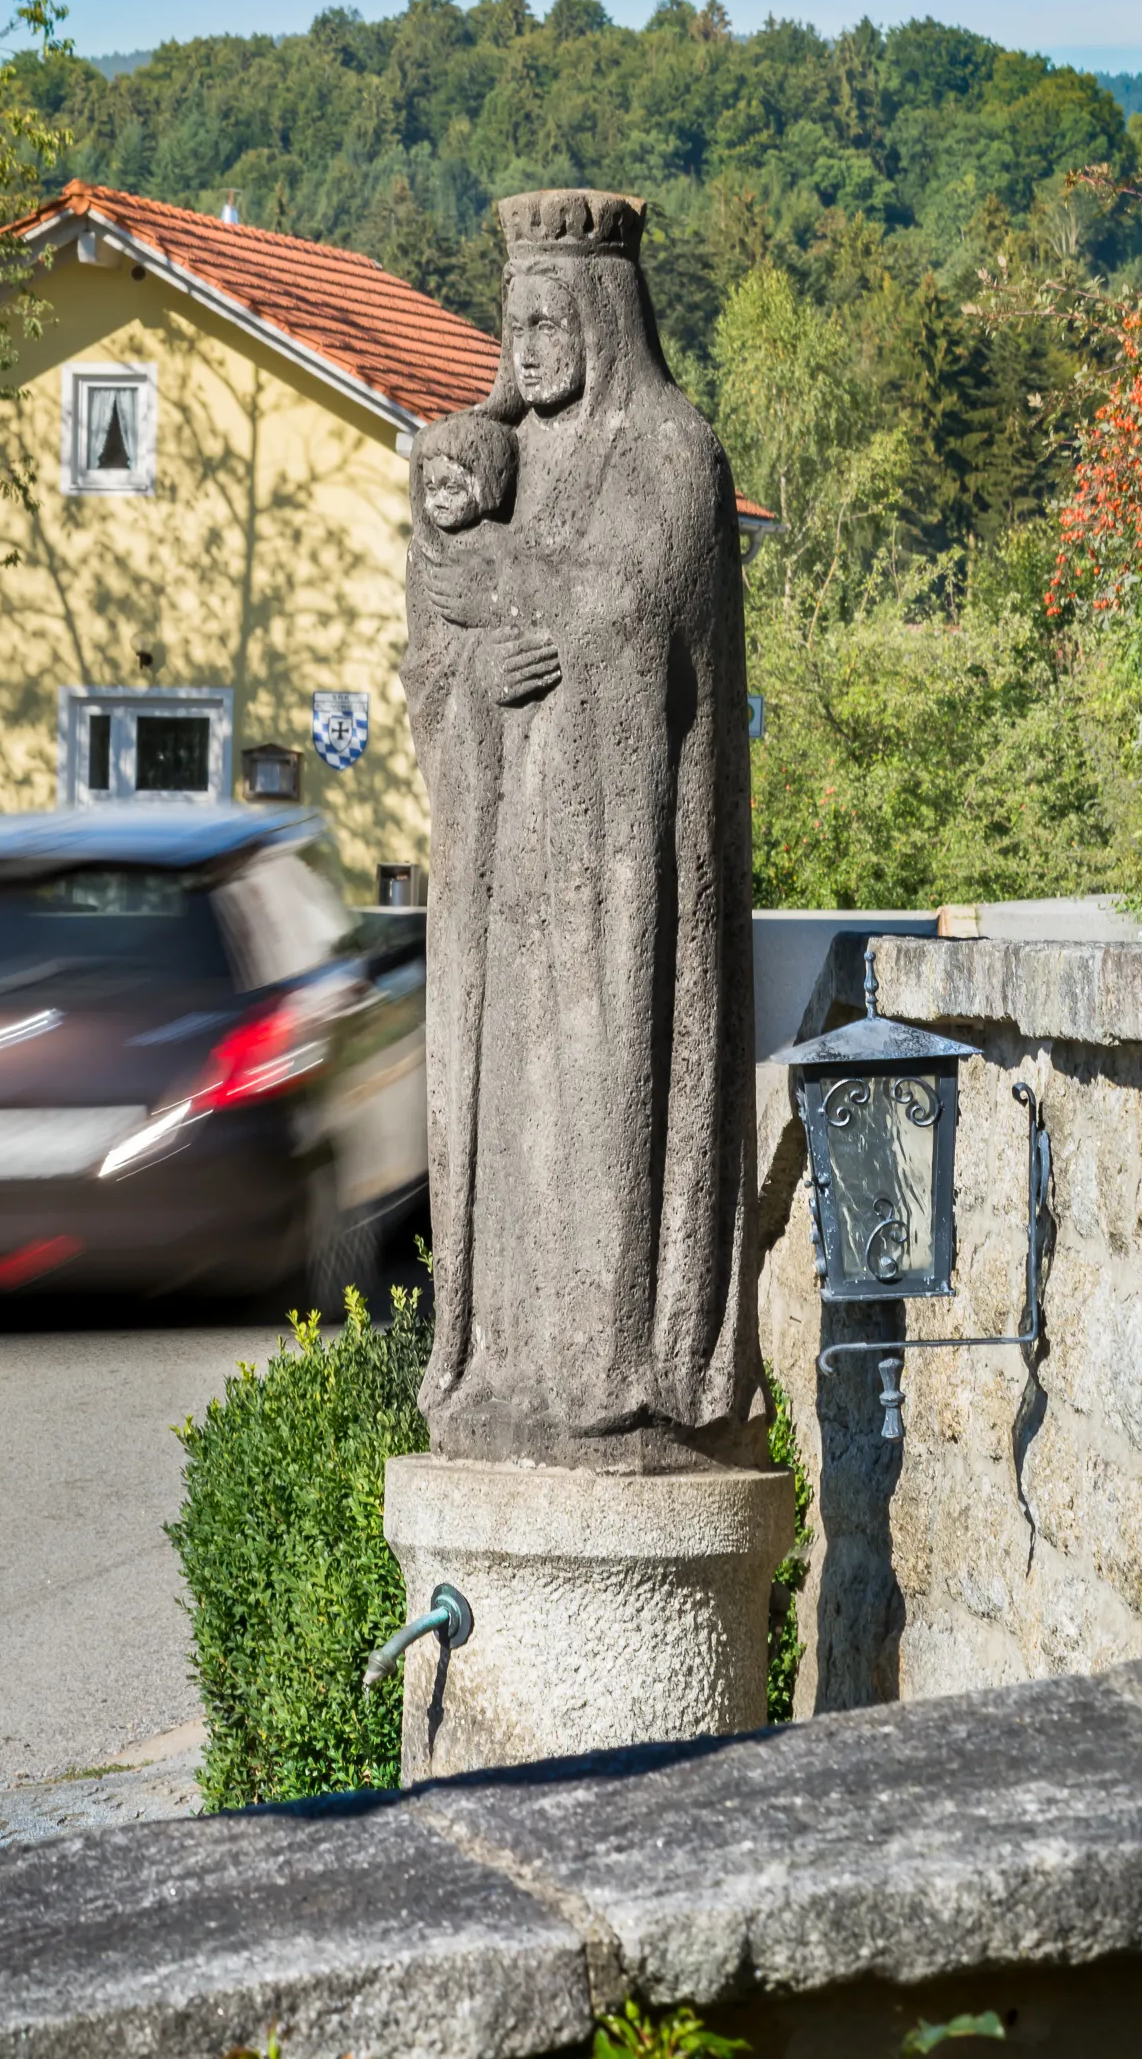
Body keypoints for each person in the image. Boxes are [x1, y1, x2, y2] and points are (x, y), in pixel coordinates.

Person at [401, 188, 764, 1472]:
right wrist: (470, 673)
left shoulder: (670, 452)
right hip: (507, 870)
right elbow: (432, 660)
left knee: (607, 1099)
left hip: (622, 874)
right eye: (513, 321)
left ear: (604, 320)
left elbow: (633, 615)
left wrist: (504, 589)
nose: (529, 345)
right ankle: (503, 1358)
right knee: (513, 1122)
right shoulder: (498, 465)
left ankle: (616, 1368)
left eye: (550, 319)